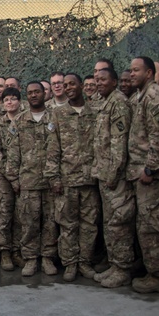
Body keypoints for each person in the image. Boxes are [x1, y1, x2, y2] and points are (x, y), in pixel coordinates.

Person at [45, 73, 99, 281]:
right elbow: (53, 148)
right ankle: (70, 264)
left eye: (72, 84)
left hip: (89, 179)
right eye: (65, 85)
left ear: (81, 86)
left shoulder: (94, 112)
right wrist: (54, 178)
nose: (68, 88)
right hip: (67, 180)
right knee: (67, 224)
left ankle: (84, 262)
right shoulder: (58, 114)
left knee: (89, 225)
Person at [126, 56, 159, 295]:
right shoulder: (141, 96)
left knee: (153, 226)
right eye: (131, 70)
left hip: (151, 176)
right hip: (141, 173)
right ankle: (152, 271)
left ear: (150, 73)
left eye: (137, 70)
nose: (132, 74)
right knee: (145, 225)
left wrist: (150, 168)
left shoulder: (154, 96)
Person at [7, 81, 59, 277]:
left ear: (44, 93)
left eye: (37, 91)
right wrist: (13, 178)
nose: (34, 95)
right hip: (27, 181)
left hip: (50, 181)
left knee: (50, 222)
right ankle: (30, 258)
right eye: (30, 93)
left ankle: (47, 258)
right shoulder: (18, 121)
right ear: (26, 96)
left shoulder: (55, 118)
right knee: (28, 222)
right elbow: (13, 153)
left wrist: (57, 177)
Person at [92, 68, 136, 288]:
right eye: (97, 79)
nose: (99, 83)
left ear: (115, 81)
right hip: (104, 173)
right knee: (110, 222)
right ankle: (115, 264)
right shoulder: (105, 102)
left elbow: (119, 143)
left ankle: (123, 268)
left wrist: (113, 173)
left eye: (104, 79)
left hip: (114, 177)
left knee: (119, 222)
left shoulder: (118, 103)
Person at [0, 87, 21, 269]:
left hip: (24, 176)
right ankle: (5, 253)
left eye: (13, 99)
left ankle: (16, 251)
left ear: (19, 101)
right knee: (3, 215)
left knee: (21, 216)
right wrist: (10, 175)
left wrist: (19, 175)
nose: (9, 102)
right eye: (6, 99)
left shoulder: (25, 121)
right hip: (2, 177)